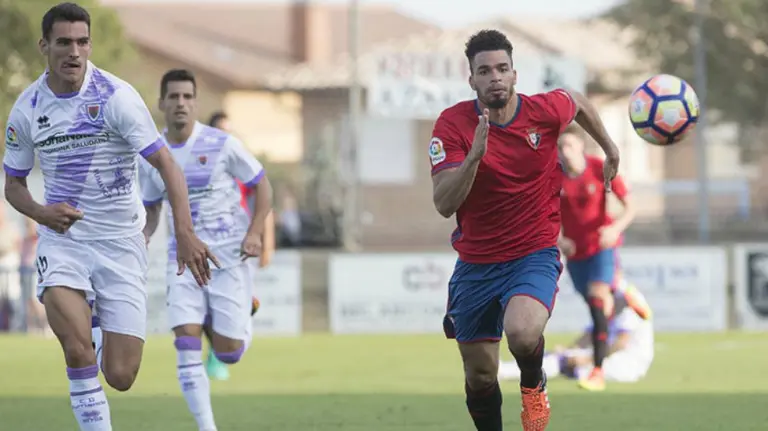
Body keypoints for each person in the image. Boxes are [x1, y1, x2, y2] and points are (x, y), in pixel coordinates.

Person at [2, 4, 216, 431]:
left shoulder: (117, 98)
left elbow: (168, 166)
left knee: (120, 376)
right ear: (45, 46)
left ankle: (98, 324)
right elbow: (14, 185)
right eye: (64, 42)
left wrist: (186, 232)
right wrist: (42, 212)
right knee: (76, 350)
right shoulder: (27, 110)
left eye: (82, 42)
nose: (75, 52)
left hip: (121, 243)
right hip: (65, 242)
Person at [429, 30, 620, 431]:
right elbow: (445, 203)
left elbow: (579, 102)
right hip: (476, 263)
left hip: (533, 252)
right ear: (472, 81)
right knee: (480, 375)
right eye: (484, 71)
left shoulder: (543, 111)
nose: (494, 77)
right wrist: (474, 159)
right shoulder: (452, 126)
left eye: (502, 69)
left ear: (515, 74)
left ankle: (534, 388)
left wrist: (610, 148)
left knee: (521, 331)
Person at [141, 69, 272, 431]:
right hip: (181, 260)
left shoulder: (221, 144)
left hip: (229, 259)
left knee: (229, 353)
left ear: (195, 103)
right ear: (162, 103)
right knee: (184, 340)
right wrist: (144, 234)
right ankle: (207, 427)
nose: (181, 103)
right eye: (174, 97)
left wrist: (256, 231)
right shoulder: (151, 154)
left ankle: (243, 309)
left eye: (187, 97)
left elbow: (262, 184)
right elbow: (151, 205)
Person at [557, 128, 651, 392]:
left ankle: (597, 371)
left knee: (598, 301)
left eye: (570, 146)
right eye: (561, 146)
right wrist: (559, 239)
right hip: (576, 255)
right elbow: (544, 216)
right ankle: (623, 294)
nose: (565, 151)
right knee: (598, 308)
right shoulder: (553, 178)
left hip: (601, 247)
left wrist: (615, 228)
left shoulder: (600, 168)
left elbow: (630, 206)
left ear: (581, 148)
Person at [204, 110, 276, 381]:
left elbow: (264, 200)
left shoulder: (240, 164)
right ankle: (214, 354)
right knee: (207, 306)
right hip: (206, 244)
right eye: (221, 130)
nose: (226, 136)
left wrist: (267, 243)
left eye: (229, 131)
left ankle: (219, 354)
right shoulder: (198, 166)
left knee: (230, 303)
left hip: (238, 245)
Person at [498, 287, 654, 384]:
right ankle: (506, 369)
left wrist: (587, 359)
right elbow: (589, 335)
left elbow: (620, 344)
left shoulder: (628, 306)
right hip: (611, 359)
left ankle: (504, 372)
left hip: (627, 363)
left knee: (564, 362)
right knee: (560, 355)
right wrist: (568, 348)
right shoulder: (608, 303)